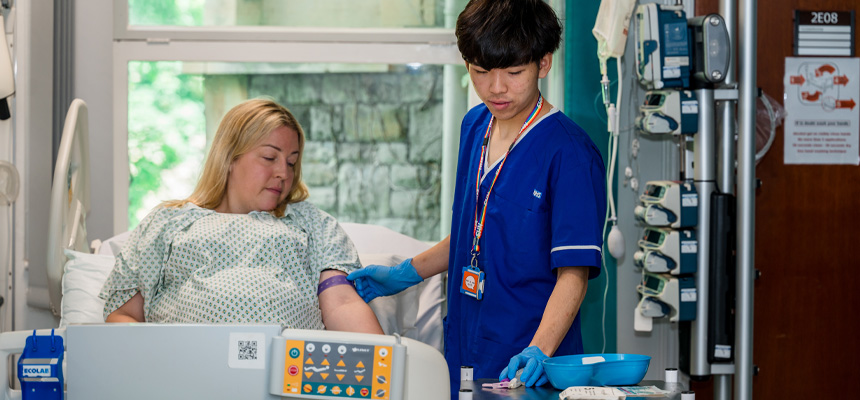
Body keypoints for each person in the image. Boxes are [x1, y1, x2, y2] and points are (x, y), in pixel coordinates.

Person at [347, 0, 606, 392]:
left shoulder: (569, 153)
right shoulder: (475, 126)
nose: (496, 88)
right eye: (481, 72)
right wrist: (405, 273)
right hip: (465, 347)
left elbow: (574, 272)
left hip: (528, 359)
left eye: (514, 72)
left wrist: (539, 349)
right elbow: (475, 232)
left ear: (544, 63)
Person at [100, 98, 383, 335]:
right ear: (230, 157)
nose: (284, 173)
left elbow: (342, 304)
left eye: (292, 162)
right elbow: (124, 317)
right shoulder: (168, 222)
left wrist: (383, 370)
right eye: (270, 158)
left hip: (289, 378)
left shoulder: (313, 224)